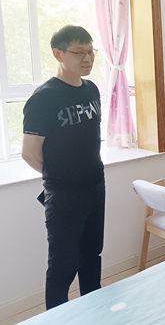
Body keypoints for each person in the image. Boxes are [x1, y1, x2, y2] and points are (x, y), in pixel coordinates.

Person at [21, 25, 105, 310]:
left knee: (92, 255)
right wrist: (61, 176)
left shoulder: (92, 89)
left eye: (91, 51)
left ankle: (95, 311)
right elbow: (30, 153)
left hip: (96, 186)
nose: (87, 58)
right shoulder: (44, 97)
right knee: (63, 264)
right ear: (58, 54)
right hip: (64, 194)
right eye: (79, 52)